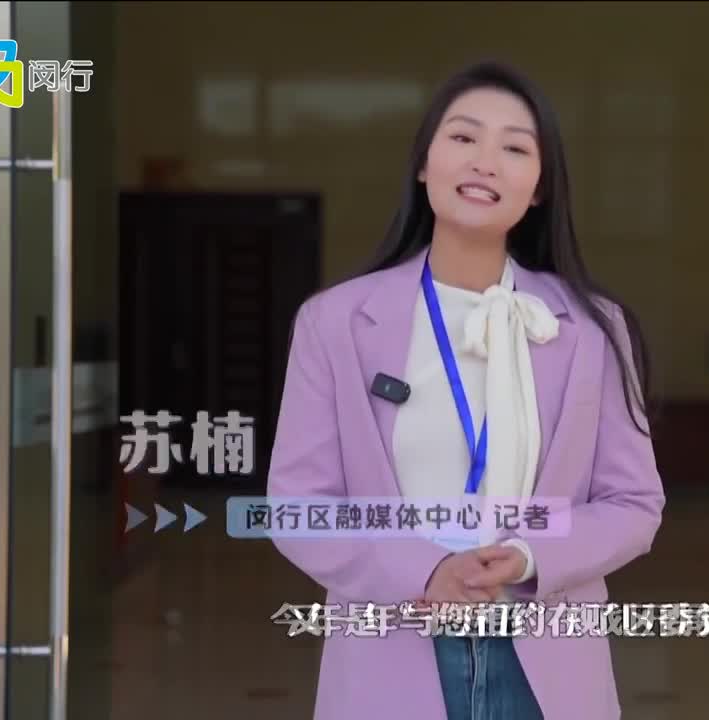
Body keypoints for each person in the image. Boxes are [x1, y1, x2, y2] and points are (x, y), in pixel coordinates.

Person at [267, 59, 665, 720]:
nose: (485, 161)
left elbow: (633, 503)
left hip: (546, 661)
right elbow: (298, 506)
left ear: (539, 189)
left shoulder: (593, 329)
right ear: (423, 164)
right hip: (391, 655)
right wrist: (424, 571)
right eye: (463, 137)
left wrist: (529, 556)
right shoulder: (335, 323)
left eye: (515, 148)